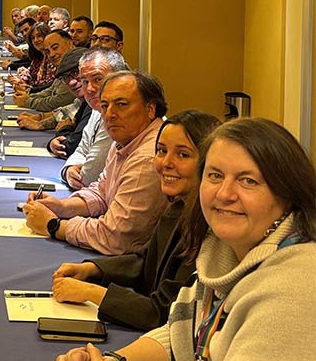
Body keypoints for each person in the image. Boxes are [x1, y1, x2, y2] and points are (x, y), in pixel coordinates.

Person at [54, 117, 316, 361]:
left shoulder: (297, 287)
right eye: (215, 175)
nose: (224, 194)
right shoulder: (225, 253)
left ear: (287, 192)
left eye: (248, 181)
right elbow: (183, 335)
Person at [52, 110, 221, 330]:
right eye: (161, 151)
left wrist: (92, 292)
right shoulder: (179, 207)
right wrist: (92, 269)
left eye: (183, 155)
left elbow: (165, 312)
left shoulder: (211, 231)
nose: (166, 162)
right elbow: (145, 260)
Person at [23, 70, 169, 255]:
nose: (110, 114)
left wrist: (54, 226)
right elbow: (102, 192)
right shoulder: (126, 140)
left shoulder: (147, 158)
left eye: (121, 104)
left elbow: (114, 237)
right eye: (105, 105)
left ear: (150, 109)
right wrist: (62, 207)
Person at [54, 49, 126, 188]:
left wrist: (73, 173)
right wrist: (68, 170)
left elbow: (89, 177)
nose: (89, 89)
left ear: (119, 78)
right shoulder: (97, 107)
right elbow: (82, 149)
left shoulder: (119, 115)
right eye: (85, 81)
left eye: (98, 79)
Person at [12, 31, 76, 111]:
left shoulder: (76, 65)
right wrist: (28, 96)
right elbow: (51, 90)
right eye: (48, 51)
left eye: (55, 48)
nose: (52, 54)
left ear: (69, 44)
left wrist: (28, 101)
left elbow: (59, 101)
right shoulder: (63, 65)